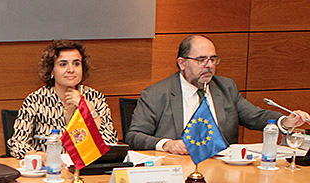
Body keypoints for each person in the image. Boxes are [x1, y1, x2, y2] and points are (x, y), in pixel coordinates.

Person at [127, 35, 310, 154]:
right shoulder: (157, 94)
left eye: (213, 59)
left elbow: (255, 116)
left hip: (222, 166)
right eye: (201, 60)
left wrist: (284, 122)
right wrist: (167, 144)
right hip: (177, 167)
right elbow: (134, 136)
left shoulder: (225, 87)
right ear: (182, 63)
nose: (209, 65)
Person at [7, 40, 118, 160]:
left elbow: (110, 143)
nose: (71, 69)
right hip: (49, 171)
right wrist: (38, 156)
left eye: (76, 64)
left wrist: (87, 108)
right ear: (52, 70)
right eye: (63, 64)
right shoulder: (36, 100)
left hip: (86, 169)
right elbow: (16, 143)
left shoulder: (95, 98)